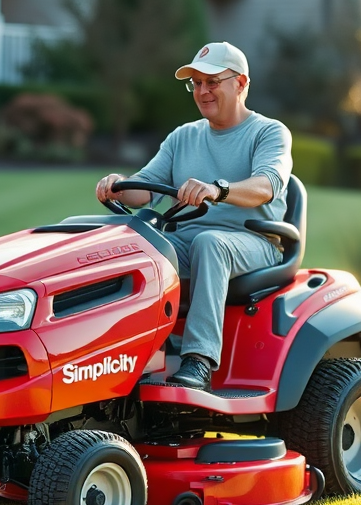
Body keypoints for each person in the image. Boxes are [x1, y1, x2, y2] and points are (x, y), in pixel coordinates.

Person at [95, 41, 292, 390]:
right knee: (136, 247)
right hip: (188, 241)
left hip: (255, 241)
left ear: (241, 83)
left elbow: (267, 185)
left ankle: (199, 359)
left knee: (209, 242)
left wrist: (219, 190)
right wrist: (119, 186)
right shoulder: (183, 137)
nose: (202, 91)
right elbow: (147, 189)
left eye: (212, 82)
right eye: (196, 83)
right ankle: (124, 353)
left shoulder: (269, 132)